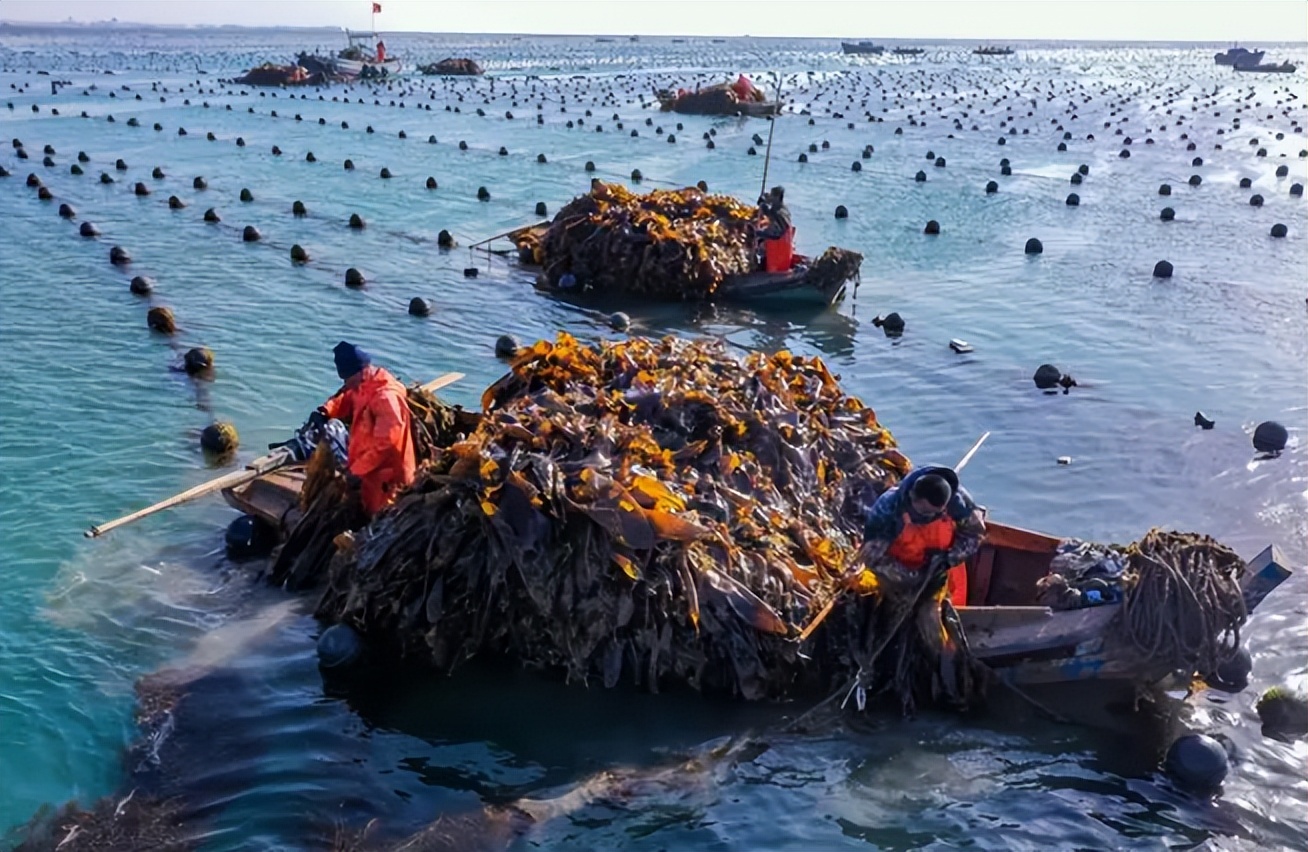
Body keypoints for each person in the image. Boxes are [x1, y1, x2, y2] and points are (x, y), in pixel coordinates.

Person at [303, 341, 416, 516]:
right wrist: (326, 411)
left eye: (347, 378)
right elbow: (346, 399)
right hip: (368, 468)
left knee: (380, 514)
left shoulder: (385, 398)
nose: (345, 383)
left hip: (388, 476)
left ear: (360, 372)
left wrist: (357, 471)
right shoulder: (363, 385)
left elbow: (387, 444)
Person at [857, 466, 986, 607]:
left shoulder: (958, 502)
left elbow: (974, 534)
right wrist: (911, 577)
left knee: (932, 612)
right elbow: (872, 557)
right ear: (912, 497)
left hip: (940, 567)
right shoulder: (887, 510)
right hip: (900, 571)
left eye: (937, 512)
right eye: (925, 511)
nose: (931, 516)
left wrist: (949, 559)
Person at [756, 185, 794, 273]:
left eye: (772, 195)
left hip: (779, 241)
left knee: (756, 235)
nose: (770, 196)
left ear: (777, 197)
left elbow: (772, 216)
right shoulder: (780, 208)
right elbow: (770, 216)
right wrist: (763, 201)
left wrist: (763, 205)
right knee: (759, 234)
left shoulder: (779, 212)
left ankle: (762, 265)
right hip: (779, 238)